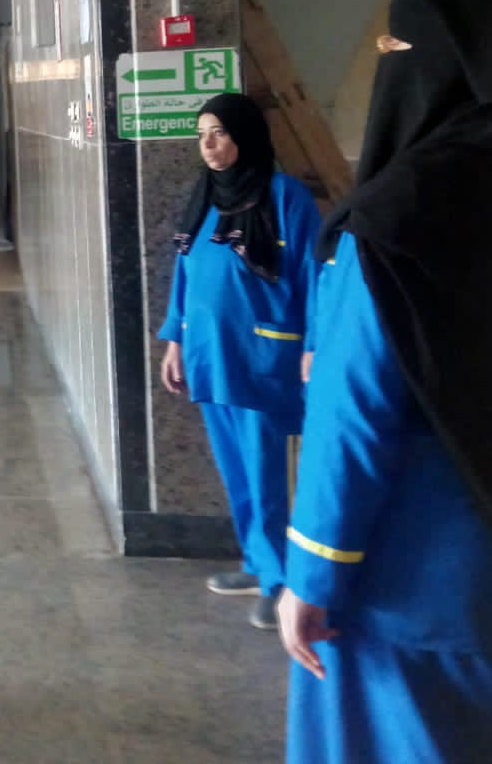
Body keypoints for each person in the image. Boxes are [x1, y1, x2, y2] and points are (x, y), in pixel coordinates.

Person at [279, 0, 492, 762]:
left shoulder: (397, 219)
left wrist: (312, 576)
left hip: (416, 583)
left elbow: (354, 414)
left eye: (397, 47)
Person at [158, 92, 320, 631]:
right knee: (238, 472)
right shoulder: (205, 196)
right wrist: (175, 339)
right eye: (202, 134)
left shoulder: (284, 196)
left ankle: (281, 582)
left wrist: (314, 343)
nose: (208, 144)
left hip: (260, 356)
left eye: (220, 133)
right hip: (211, 355)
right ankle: (258, 563)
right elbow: (185, 273)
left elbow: (312, 274)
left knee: (266, 472)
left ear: (244, 136)